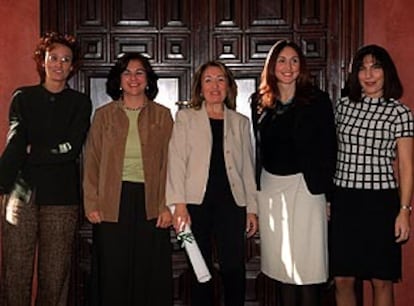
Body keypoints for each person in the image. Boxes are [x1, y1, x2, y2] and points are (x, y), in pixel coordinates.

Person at [0, 32, 92, 306]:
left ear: (72, 66)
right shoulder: (23, 97)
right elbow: (16, 143)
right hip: (19, 196)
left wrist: (33, 151)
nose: (59, 64)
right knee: (15, 274)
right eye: (53, 58)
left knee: (54, 278)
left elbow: (71, 150)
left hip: (61, 199)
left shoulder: (80, 103)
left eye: (66, 60)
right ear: (43, 61)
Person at [83, 52, 173, 306]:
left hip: (151, 202)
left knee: (149, 272)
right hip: (112, 201)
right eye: (127, 72)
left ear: (148, 79)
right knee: (113, 273)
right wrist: (92, 203)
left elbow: (171, 164)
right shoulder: (103, 115)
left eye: (139, 72)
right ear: (119, 79)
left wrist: (167, 205)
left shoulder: (162, 115)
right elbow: (92, 162)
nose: (133, 78)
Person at [251, 40, 337, 306]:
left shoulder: (317, 100)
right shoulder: (259, 101)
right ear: (272, 66)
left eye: (294, 61)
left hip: (307, 187)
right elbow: (259, 149)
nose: (288, 67)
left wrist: (329, 196)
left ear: (302, 67)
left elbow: (329, 148)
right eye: (282, 61)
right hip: (271, 188)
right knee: (282, 267)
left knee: (309, 267)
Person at [166, 60, 258, 306]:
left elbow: (248, 168)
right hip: (194, 206)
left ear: (228, 86)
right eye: (208, 80)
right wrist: (178, 205)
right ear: (199, 87)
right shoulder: (185, 118)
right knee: (199, 268)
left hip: (232, 204)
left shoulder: (240, 122)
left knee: (233, 267)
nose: (214, 85)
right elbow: (176, 162)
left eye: (220, 79)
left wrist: (252, 209)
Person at [330, 45, 414, 306]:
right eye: (362, 68)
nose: (368, 74)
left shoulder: (400, 112)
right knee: (343, 278)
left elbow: (407, 166)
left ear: (386, 72)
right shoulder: (343, 106)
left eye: (375, 67)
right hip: (344, 201)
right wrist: (327, 199)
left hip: (380, 203)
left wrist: (404, 211)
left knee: (381, 280)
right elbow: (329, 153)